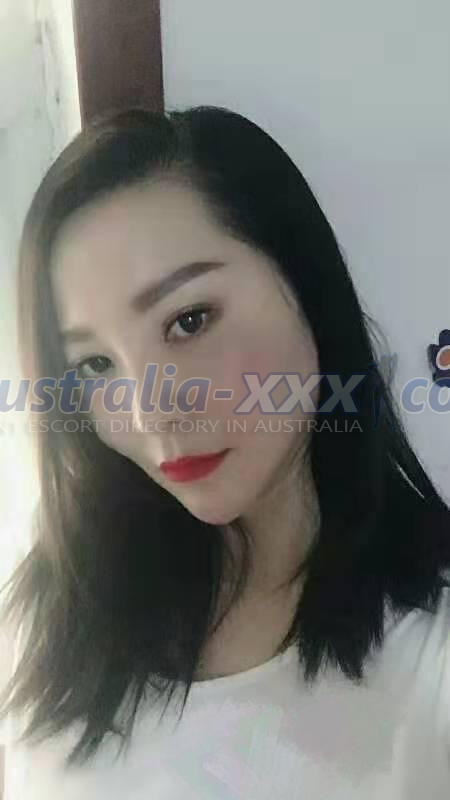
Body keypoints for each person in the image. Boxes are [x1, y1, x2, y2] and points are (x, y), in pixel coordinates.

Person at [0, 105, 449, 799]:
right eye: (95, 365)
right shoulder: (54, 606)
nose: (150, 412)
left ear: (306, 286)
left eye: (189, 320)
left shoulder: (428, 659)